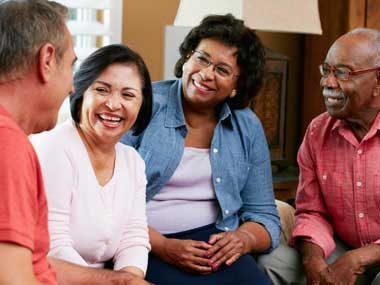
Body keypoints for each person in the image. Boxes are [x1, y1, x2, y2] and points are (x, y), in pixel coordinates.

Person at [121, 13, 281, 285]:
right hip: (143, 241)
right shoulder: (144, 105)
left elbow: (265, 215)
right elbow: (108, 203)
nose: (206, 74)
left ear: (235, 87)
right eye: (202, 59)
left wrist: (243, 239)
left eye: (222, 70)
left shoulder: (247, 127)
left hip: (214, 243)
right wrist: (163, 246)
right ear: (185, 59)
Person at [259, 28, 380, 285]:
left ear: (378, 81)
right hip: (341, 245)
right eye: (326, 70)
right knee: (272, 264)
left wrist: (358, 259)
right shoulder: (317, 131)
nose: (328, 83)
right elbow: (312, 211)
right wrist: (312, 261)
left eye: (343, 73)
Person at [31, 44, 153, 285]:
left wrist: (129, 279)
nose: (113, 104)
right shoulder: (54, 148)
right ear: (80, 92)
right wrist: (117, 283)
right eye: (102, 90)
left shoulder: (133, 161)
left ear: (141, 104)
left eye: (127, 95)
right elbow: (51, 245)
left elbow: (134, 237)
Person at [0, 1, 76, 284]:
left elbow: (27, 259)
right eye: (70, 66)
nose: (72, 87)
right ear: (47, 60)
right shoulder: (7, 146)